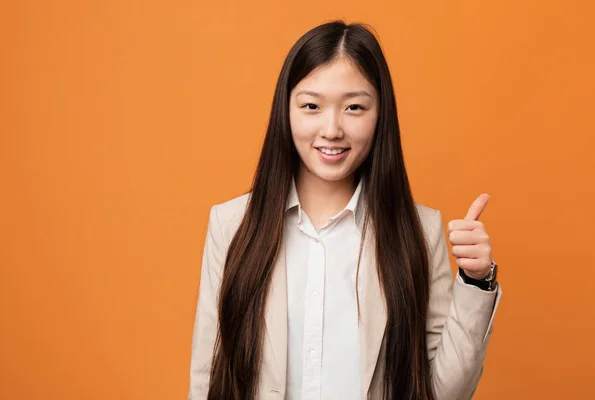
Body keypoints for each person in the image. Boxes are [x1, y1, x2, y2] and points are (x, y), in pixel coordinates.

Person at [187, 20, 502, 400]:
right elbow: (208, 378)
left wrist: (475, 280)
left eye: (354, 106)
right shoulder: (232, 224)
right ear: (285, 112)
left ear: (380, 114)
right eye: (311, 106)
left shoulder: (419, 229)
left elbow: (445, 392)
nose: (332, 128)